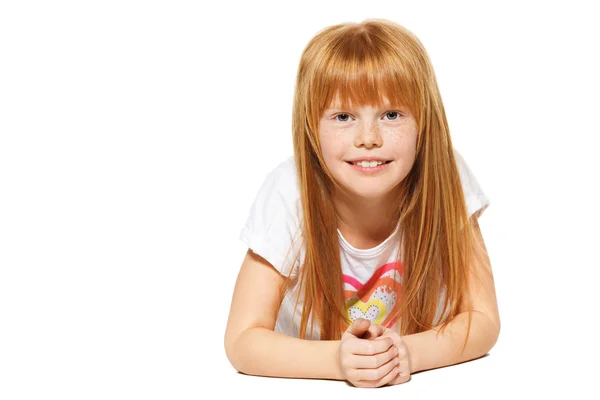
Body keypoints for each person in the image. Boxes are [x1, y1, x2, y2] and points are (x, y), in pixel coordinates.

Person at [224, 18, 501, 388]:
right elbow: (242, 340)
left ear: (424, 121)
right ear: (311, 127)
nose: (368, 138)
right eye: (343, 116)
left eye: (391, 115)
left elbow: (483, 318)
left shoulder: (446, 176)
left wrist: (409, 353)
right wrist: (338, 360)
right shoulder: (289, 192)